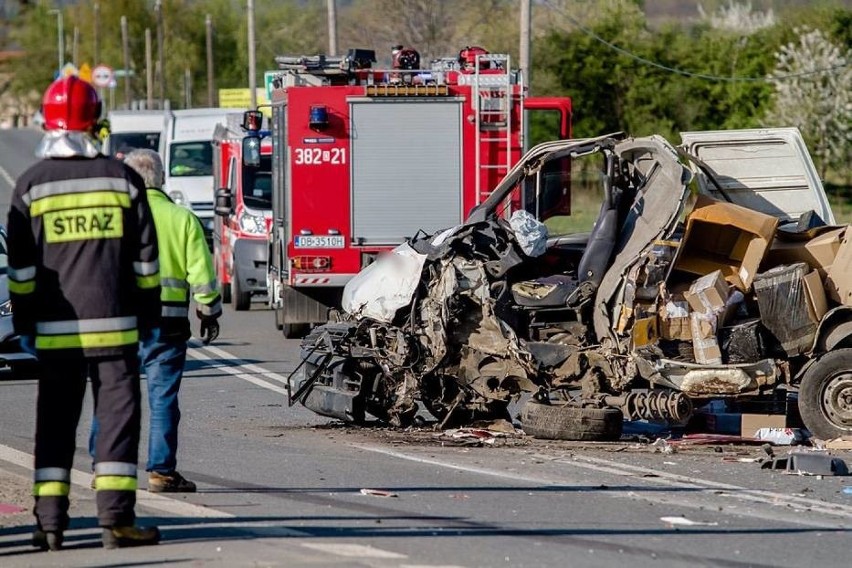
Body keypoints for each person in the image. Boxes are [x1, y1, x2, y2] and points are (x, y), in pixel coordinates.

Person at [7, 76, 162, 551]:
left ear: (46, 123)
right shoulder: (123, 179)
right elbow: (146, 264)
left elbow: (21, 272)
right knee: (117, 420)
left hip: (54, 334)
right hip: (116, 329)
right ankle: (115, 521)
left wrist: (26, 324)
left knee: (53, 423)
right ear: (96, 122)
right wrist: (148, 317)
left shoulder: (31, 184)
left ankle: (49, 523)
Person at [91, 148, 221, 493]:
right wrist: (209, 311)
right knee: (162, 397)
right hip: (167, 324)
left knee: (113, 393)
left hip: (117, 322)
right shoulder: (182, 218)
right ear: (161, 178)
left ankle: (103, 468)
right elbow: (203, 278)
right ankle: (161, 472)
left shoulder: (114, 218)